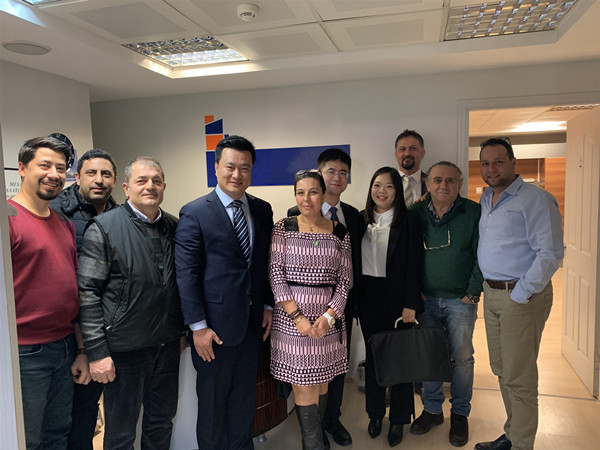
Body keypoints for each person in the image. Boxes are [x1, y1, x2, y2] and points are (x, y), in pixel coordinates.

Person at [78, 156, 185, 450]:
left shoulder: (175, 227)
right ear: (126, 188)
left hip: (166, 346)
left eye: (156, 181)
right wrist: (97, 352)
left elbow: (180, 285)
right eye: (141, 180)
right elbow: (87, 292)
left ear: (164, 186)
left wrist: (181, 331)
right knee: (121, 433)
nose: (150, 186)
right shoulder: (103, 228)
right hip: (124, 350)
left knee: (161, 422)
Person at [175, 135, 274, 449]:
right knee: (213, 405)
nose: (237, 174)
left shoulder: (262, 209)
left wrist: (268, 305)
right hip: (213, 331)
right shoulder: (194, 212)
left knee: (243, 400)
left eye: (245, 167)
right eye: (230, 166)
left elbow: (265, 263)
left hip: (252, 326)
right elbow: (186, 275)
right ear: (216, 167)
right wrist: (198, 327)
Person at [476, 138, 563, 450]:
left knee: (520, 376)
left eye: (498, 162)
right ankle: (513, 434)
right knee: (502, 369)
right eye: (485, 163)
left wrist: (521, 293)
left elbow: (550, 254)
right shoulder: (487, 198)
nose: (491, 169)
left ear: (513, 162)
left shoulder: (536, 199)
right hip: (493, 295)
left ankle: (522, 444)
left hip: (520, 297)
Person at [8, 136, 90, 449]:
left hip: (64, 345)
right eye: (45, 165)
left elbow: (73, 293)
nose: (54, 174)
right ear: (22, 168)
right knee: (28, 439)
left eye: (60, 168)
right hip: (24, 352)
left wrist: (80, 349)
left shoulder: (63, 224)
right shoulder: (8, 220)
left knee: (58, 434)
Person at [271, 170, 352, 450]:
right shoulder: (283, 228)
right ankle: (314, 444)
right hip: (292, 323)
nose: (307, 199)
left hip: (327, 323)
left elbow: (345, 281)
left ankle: (317, 438)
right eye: (300, 192)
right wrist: (298, 318)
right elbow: (276, 275)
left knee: (322, 382)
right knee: (304, 385)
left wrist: (329, 317)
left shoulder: (340, 232)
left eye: (313, 192)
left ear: (324, 194)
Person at [287, 148, 361, 448]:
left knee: (334, 369)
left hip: (340, 308)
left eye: (343, 173)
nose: (337, 177)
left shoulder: (353, 217)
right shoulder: (292, 218)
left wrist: (333, 311)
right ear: (319, 174)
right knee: (307, 375)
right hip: (301, 313)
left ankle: (332, 419)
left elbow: (351, 268)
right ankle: (315, 432)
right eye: (331, 171)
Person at [409, 161, 483, 447]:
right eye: (437, 180)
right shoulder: (415, 213)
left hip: (460, 301)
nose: (443, 185)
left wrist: (472, 292)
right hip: (426, 300)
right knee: (431, 356)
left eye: (450, 180)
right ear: (428, 184)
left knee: (462, 358)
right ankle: (432, 410)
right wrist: (414, 292)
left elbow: (482, 255)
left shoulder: (473, 212)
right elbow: (406, 255)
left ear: (459, 184)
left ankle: (460, 414)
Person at [50, 146, 118, 450]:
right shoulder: (57, 211)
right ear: (77, 177)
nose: (99, 180)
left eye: (105, 174)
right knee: (66, 422)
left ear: (115, 180)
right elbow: (69, 283)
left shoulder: (119, 214)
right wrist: (82, 347)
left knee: (91, 415)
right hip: (69, 335)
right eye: (91, 173)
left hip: (109, 330)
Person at [359, 166, 424, 447]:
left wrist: (410, 303)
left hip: (398, 300)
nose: (381, 191)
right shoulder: (360, 219)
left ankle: (398, 418)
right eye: (377, 185)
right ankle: (375, 414)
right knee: (373, 359)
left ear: (397, 191)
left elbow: (415, 264)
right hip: (368, 297)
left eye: (388, 186)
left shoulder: (409, 221)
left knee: (399, 361)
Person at [395, 129, 428, 206]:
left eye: (413, 148)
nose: (407, 153)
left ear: (422, 153)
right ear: (396, 154)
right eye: (402, 149)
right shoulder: (387, 183)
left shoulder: (432, 184)